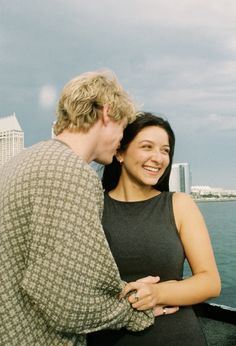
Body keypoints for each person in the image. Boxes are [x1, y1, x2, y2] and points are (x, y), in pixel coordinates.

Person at [0, 71, 165, 346]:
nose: (120, 140)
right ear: (107, 113)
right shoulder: (72, 173)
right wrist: (136, 311)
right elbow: (67, 299)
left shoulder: (20, 162)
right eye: (123, 128)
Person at [87, 112, 221, 346]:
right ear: (120, 152)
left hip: (177, 337)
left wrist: (157, 294)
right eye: (147, 147)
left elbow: (210, 282)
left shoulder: (180, 204)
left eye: (165, 150)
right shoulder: (93, 207)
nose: (158, 158)